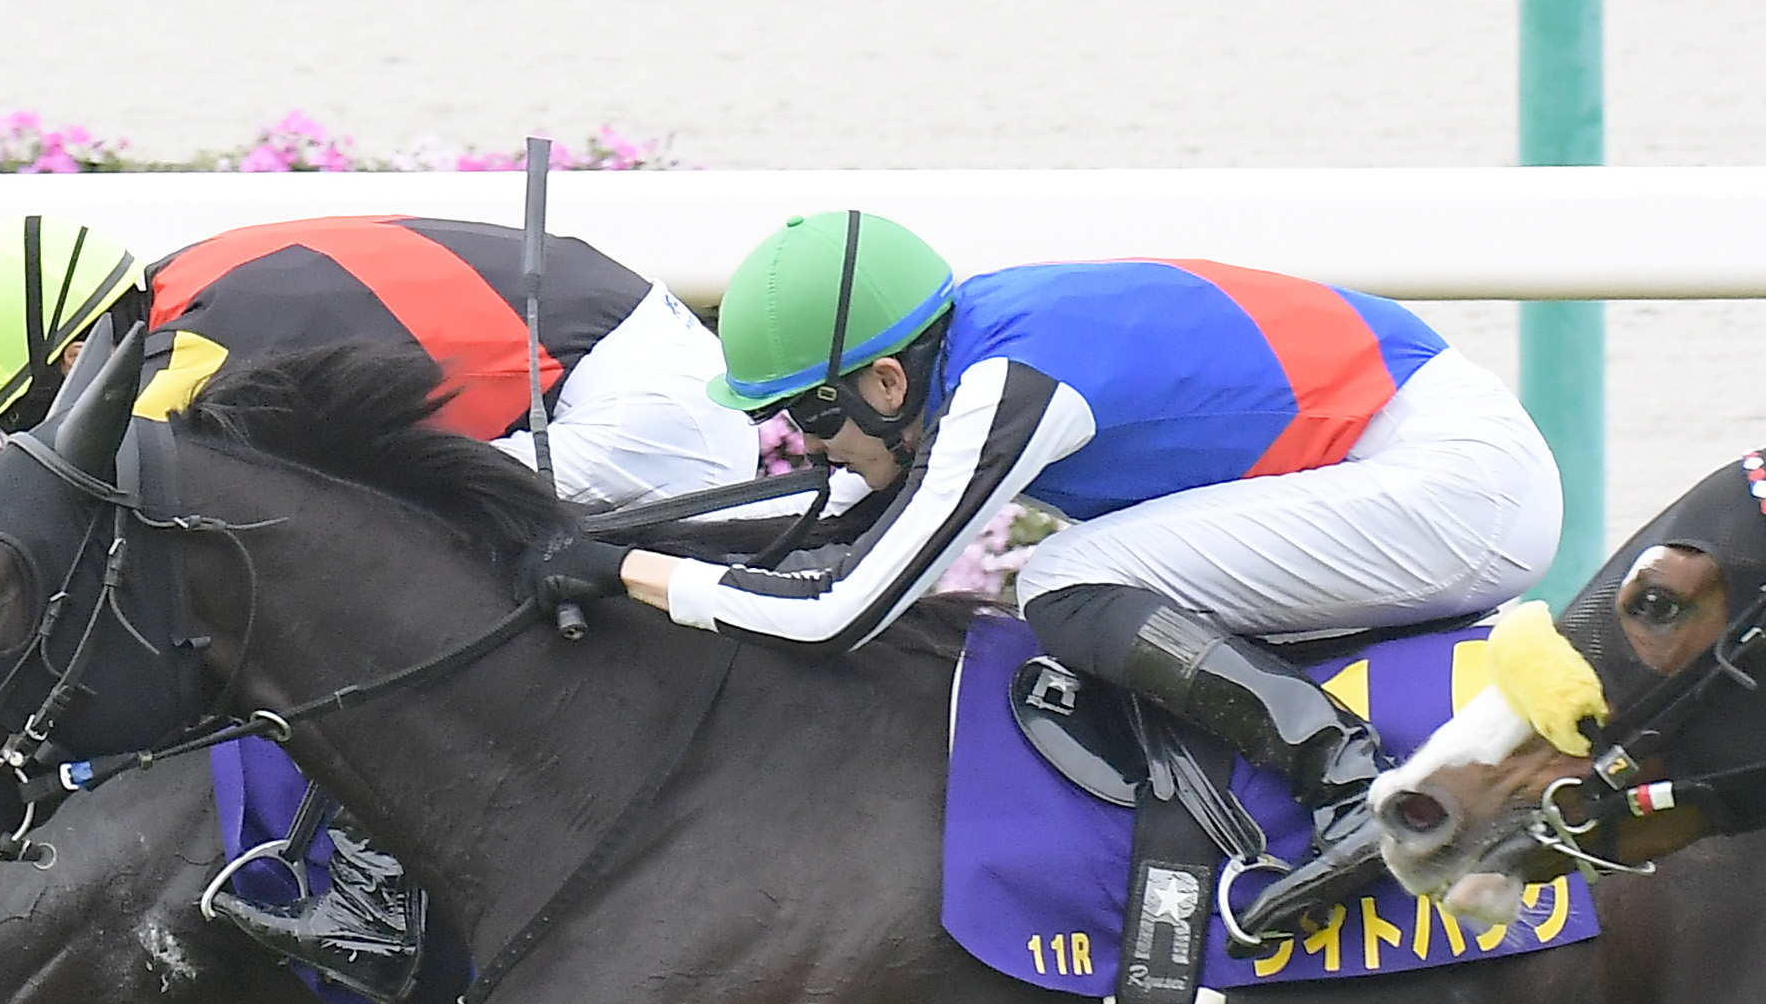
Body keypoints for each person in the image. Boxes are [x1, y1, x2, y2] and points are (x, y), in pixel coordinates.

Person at [0, 212, 760, 998]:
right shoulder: (189, 300)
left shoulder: (197, 339)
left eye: (29, 416)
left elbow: (42, 507)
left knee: (326, 559)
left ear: (69, 354)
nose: (37, 441)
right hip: (616, 376)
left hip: (640, 418)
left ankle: (372, 885)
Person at [550, 210, 1560, 934]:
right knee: (1073, 572)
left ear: (889, 379)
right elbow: (825, 522)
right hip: (1412, 460)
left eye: (813, 416)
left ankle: (1342, 782)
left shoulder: (1007, 384)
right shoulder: (964, 360)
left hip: (1454, 484)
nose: (804, 446)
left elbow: (840, 613)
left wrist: (631, 571)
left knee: (1062, 578)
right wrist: (599, 533)